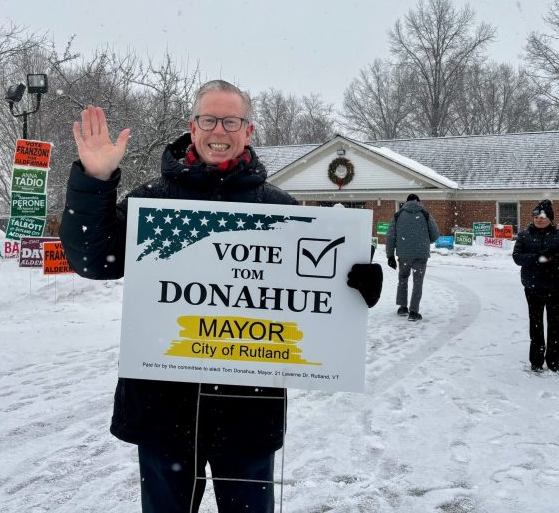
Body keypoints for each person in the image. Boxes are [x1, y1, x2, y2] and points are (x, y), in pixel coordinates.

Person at [59, 80, 383, 513]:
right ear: (192, 127)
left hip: (247, 411)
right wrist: (95, 180)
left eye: (231, 121)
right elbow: (94, 259)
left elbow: (318, 292)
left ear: (248, 131)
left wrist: (355, 284)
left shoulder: (280, 210)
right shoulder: (154, 204)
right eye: (209, 119)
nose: (219, 130)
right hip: (163, 408)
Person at [512, 200, 559, 372]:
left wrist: (552, 259)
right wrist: (536, 257)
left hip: (556, 286)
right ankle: (536, 360)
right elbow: (517, 257)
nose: (539, 220)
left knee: (554, 325)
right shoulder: (524, 235)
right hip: (533, 286)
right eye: (536, 216)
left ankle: (553, 361)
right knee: (536, 323)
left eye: (543, 217)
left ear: (550, 219)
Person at [385, 193, 440, 321]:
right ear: (418, 202)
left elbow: (390, 236)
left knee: (403, 278)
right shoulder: (425, 214)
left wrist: (390, 255)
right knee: (418, 282)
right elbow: (435, 235)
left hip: (403, 255)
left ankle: (403, 307)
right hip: (421, 255)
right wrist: (425, 241)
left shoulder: (398, 215)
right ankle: (414, 312)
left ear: (406, 202)